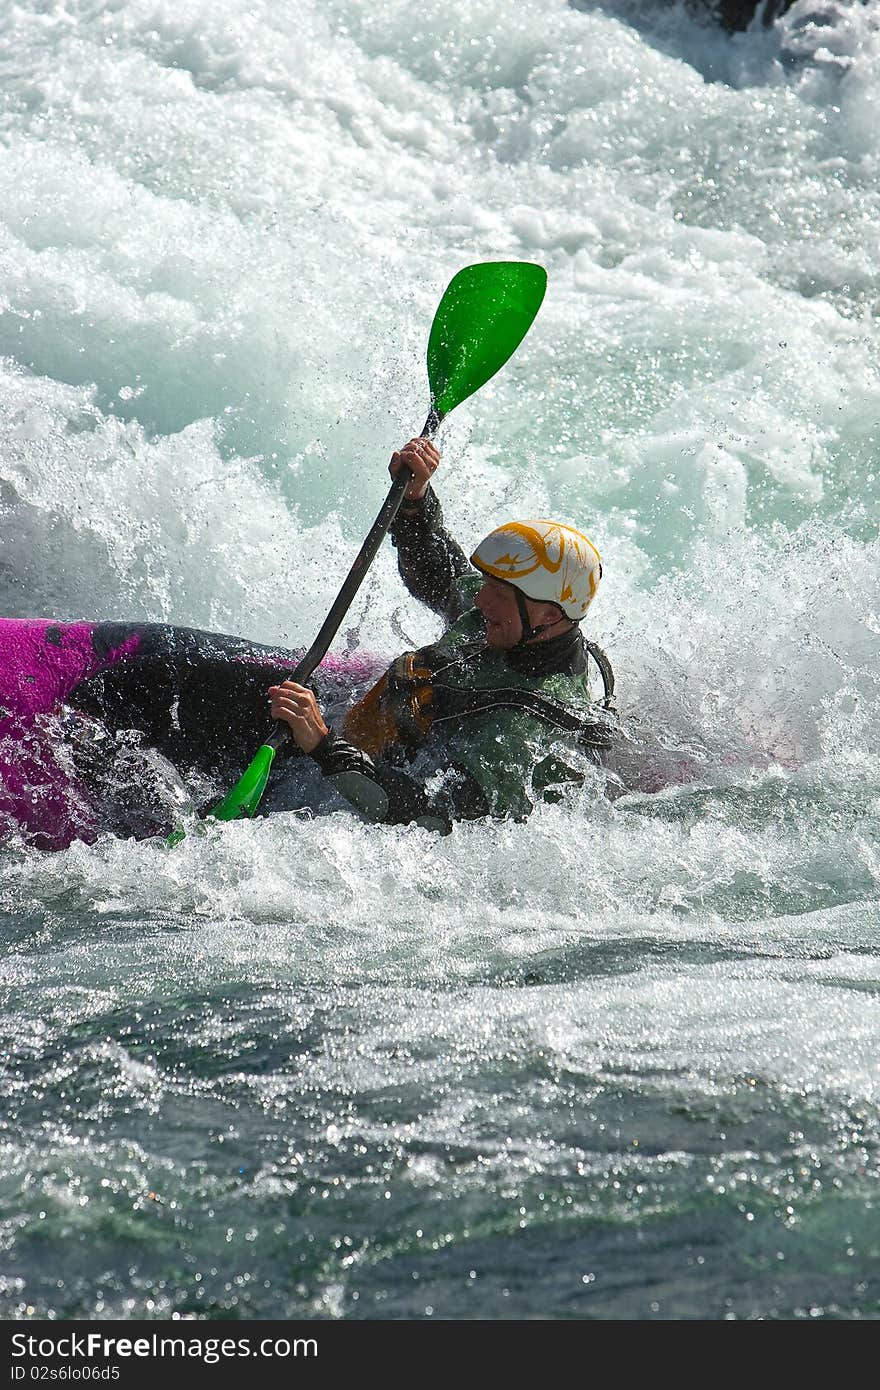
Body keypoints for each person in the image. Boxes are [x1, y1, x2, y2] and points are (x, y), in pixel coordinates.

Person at [267, 438, 616, 831]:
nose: (479, 600)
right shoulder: (512, 619)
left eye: (496, 592)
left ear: (549, 614)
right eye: (485, 583)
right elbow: (440, 576)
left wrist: (322, 744)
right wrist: (416, 499)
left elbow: (428, 815)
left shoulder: (523, 731)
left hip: (344, 773)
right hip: (349, 719)